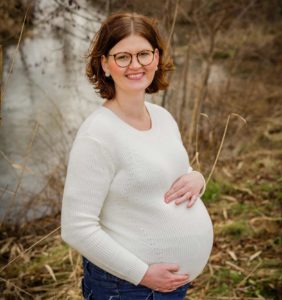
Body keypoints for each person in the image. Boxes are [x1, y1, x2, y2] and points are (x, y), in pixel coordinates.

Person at [61, 12, 213, 300]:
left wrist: (197, 178)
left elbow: (175, 171)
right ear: (105, 64)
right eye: (123, 57)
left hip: (169, 286)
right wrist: (141, 273)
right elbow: (76, 227)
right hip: (127, 288)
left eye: (143, 54)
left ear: (156, 58)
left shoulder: (163, 117)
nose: (135, 65)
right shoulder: (98, 134)